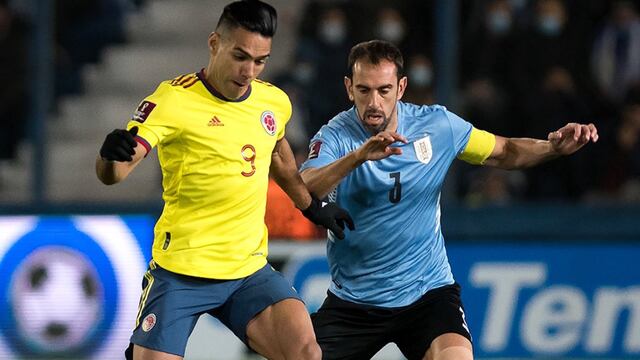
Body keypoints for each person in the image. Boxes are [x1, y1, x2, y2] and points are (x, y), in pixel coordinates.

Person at [299, 40, 598, 360]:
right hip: (354, 302)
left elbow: (505, 151)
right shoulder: (334, 136)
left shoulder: (438, 126)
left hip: (428, 294)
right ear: (349, 88)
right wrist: (358, 157)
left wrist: (552, 148)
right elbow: (304, 188)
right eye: (364, 90)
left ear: (401, 87)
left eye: (384, 90)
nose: (374, 102)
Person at [95, 1, 353, 359]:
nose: (249, 70)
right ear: (214, 43)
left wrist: (311, 206)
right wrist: (109, 157)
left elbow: (277, 157)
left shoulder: (272, 102)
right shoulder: (173, 99)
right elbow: (116, 173)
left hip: (248, 271)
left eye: (260, 60)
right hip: (181, 271)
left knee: (307, 352)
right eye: (240, 56)